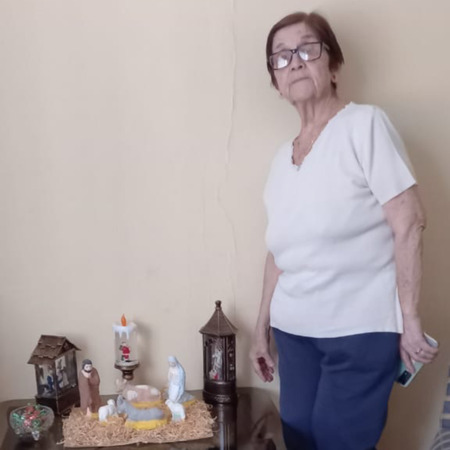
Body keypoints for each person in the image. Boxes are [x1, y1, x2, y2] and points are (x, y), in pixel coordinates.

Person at [249, 11, 438, 450]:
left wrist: (410, 322)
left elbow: (410, 222)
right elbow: (279, 252)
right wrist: (261, 329)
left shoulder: (364, 125)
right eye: (281, 57)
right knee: (298, 436)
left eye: (307, 49)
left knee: (340, 441)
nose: (294, 61)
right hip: (294, 333)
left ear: (333, 66)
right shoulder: (281, 160)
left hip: (359, 332)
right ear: (276, 83)